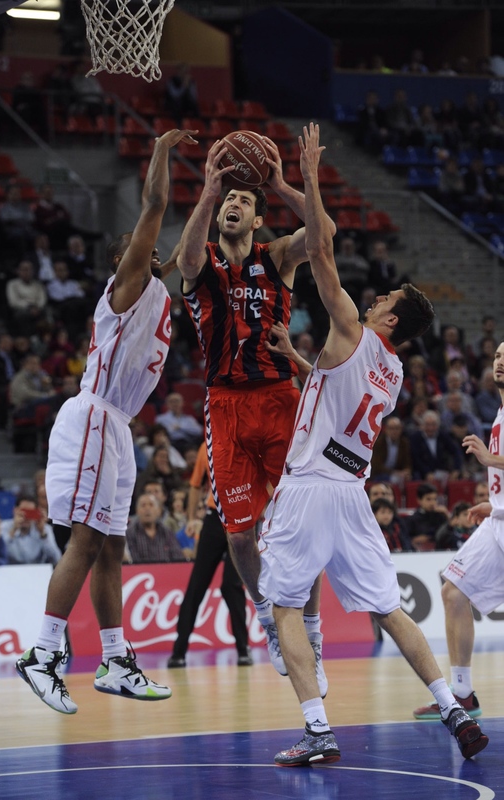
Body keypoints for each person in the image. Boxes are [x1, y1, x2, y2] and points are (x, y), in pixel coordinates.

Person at [257, 123, 487, 765]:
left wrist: (300, 178)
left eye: (383, 297)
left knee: (283, 607)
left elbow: (322, 248)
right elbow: (336, 394)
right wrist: (297, 359)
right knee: (389, 610)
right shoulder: (391, 373)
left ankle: (317, 728)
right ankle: (450, 707)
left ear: (386, 317)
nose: (375, 296)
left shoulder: (352, 328)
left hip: (308, 490)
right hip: (353, 495)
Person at [14, 127, 197, 715]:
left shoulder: (154, 291)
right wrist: (163, 151)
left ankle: (115, 660)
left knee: (113, 548)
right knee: (88, 541)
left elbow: (179, 256)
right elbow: (155, 205)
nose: (145, 256)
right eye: (136, 252)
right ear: (124, 263)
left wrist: (214, 192)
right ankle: (41, 654)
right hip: (93, 416)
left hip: (117, 427)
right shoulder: (124, 289)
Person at [176, 129, 329, 683]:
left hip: (280, 399)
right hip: (226, 407)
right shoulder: (203, 257)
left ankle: (310, 628)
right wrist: (209, 194)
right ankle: (266, 612)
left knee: (303, 527)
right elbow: (187, 262)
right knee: (239, 534)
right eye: (230, 202)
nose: (235, 205)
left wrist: (287, 183)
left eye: (244, 201)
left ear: (258, 218)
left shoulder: (277, 256)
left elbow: (324, 232)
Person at [413, 340, 504, 722]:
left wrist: (490, 458)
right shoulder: (500, 410)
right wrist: (495, 503)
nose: (500, 362)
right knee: (453, 592)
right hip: (499, 521)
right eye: (497, 355)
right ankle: (462, 694)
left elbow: (496, 460)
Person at [168, 442, 251, 668]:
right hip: (214, 518)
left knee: (231, 585)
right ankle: (179, 652)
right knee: (197, 585)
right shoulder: (208, 446)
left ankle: (244, 649)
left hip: (240, 519)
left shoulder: (248, 441)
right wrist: (191, 519)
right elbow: (195, 485)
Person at [125, 492, 186, 564]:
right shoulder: (130, 533)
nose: (147, 509)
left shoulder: (167, 532)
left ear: (158, 511)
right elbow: (133, 562)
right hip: (141, 573)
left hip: (166, 573)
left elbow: (178, 558)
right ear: (137, 511)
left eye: (151, 505)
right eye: (143, 505)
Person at [1, 494, 61, 565]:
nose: (26, 517)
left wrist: (42, 534)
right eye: (23, 512)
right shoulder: (3, 527)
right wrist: (13, 530)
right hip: (10, 571)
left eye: (30, 513)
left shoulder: (45, 529)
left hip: (37, 572)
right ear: (15, 510)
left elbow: (57, 559)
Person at [405, 482, 450, 551]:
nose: (432, 503)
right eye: (428, 499)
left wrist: (447, 515)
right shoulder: (412, 520)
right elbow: (407, 540)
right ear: (419, 500)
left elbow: (449, 535)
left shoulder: (441, 516)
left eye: (435, 499)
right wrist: (414, 540)